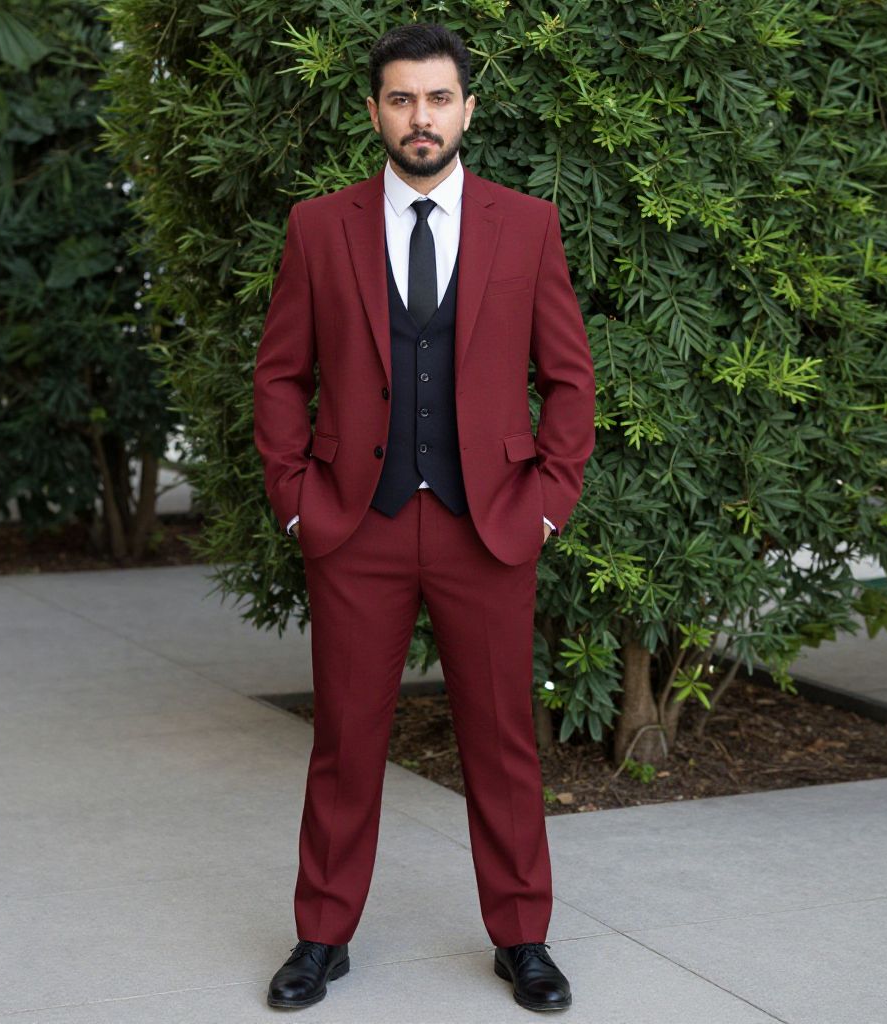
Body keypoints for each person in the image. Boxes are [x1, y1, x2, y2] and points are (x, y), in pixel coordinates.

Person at [253, 21, 595, 1013]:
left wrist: (545, 507)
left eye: (437, 99)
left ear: (466, 111)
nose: (420, 118)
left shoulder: (525, 225)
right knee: (346, 736)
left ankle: (523, 936)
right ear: (373, 112)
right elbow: (280, 373)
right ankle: (321, 934)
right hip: (352, 527)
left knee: (500, 735)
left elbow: (568, 378)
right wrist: (294, 502)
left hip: (487, 525)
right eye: (401, 99)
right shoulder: (319, 226)